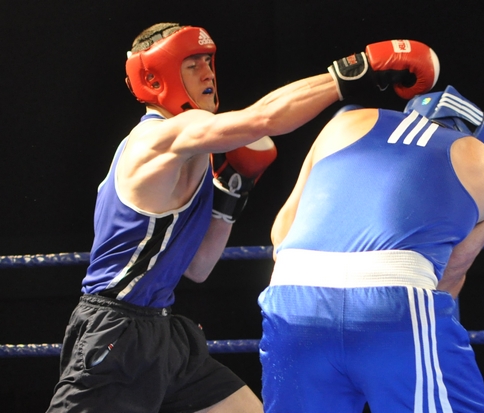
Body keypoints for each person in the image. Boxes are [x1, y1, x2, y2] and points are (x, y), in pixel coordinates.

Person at [45, 22, 440, 413]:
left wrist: (233, 189)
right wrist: (358, 69)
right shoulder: (156, 137)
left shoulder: (194, 151)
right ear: (155, 78)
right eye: (192, 65)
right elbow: (263, 119)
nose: (207, 73)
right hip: (116, 332)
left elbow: (199, 266)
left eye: (207, 62)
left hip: (163, 331)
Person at [258, 85, 484, 412]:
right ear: (476, 137)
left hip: (292, 297)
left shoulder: (344, 123)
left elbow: (281, 233)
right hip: (394, 301)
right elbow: (449, 277)